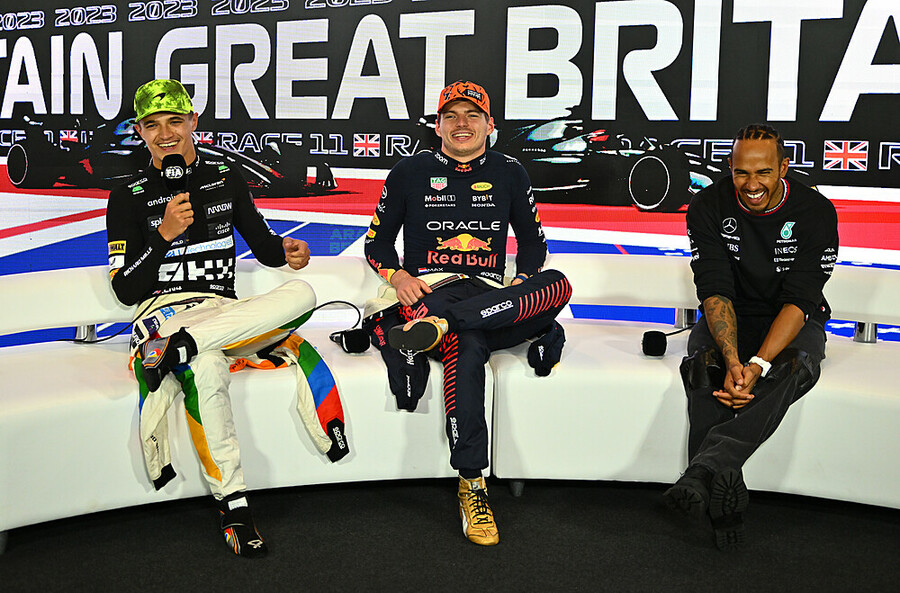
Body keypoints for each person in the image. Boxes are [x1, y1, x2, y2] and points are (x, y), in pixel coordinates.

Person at [107, 79, 324, 558]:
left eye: (175, 121)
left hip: (222, 314)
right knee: (205, 366)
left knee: (304, 293)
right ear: (140, 131)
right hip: (161, 314)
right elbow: (124, 291)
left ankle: (181, 347)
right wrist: (163, 235)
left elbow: (263, 246)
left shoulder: (226, 175)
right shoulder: (126, 195)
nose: (165, 133)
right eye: (152, 125)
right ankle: (236, 508)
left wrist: (286, 251)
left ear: (193, 122)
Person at [363, 80, 572, 546]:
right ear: (437, 126)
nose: (462, 123)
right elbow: (376, 244)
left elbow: (533, 244)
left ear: (489, 124)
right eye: (451, 116)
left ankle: (440, 328)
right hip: (432, 290)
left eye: (472, 115)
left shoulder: (511, 172)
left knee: (558, 283)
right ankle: (472, 483)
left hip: (490, 298)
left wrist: (522, 279)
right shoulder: (408, 172)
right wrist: (398, 277)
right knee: (470, 343)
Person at [663, 124, 838, 550]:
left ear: (784, 168)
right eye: (742, 172)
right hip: (732, 316)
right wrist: (731, 360)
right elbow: (714, 288)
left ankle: (701, 473)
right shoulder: (708, 204)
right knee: (704, 371)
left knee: (792, 369)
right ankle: (724, 500)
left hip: (792, 320)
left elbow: (799, 301)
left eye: (763, 172)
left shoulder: (816, 211)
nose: (752, 183)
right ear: (730, 167)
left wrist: (757, 364)